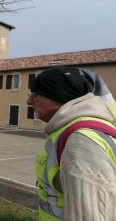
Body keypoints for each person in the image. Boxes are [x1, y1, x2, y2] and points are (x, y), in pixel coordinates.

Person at [27, 66, 116, 221]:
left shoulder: (81, 142)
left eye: (35, 94)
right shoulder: (72, 130)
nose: (28, 101)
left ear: (56, 96)